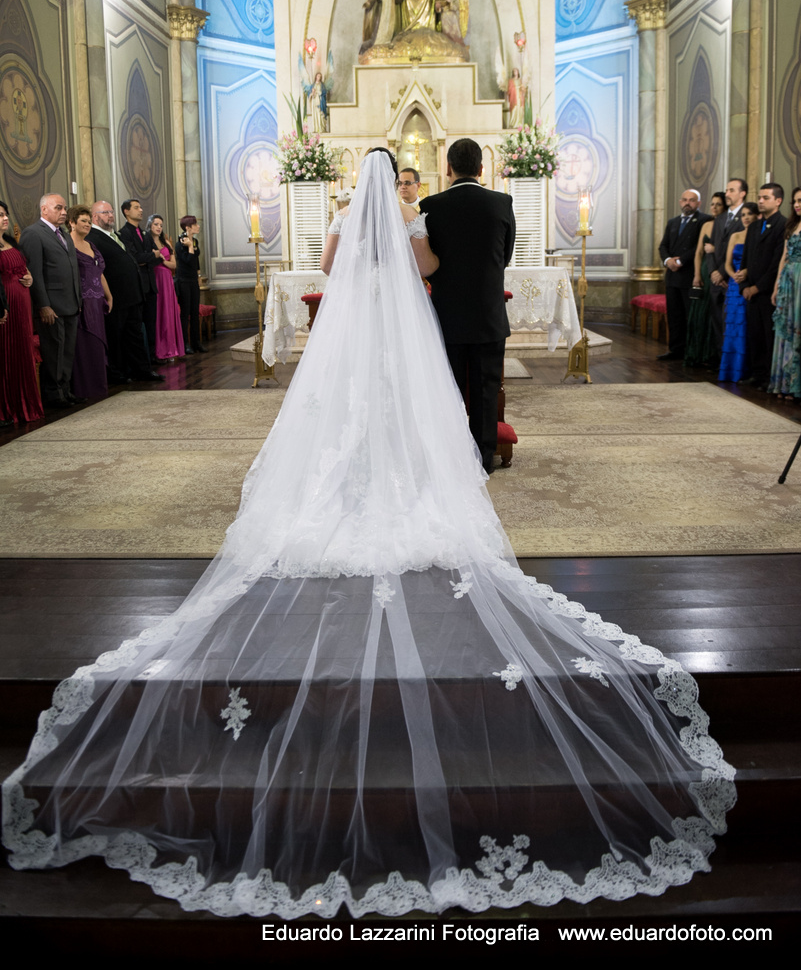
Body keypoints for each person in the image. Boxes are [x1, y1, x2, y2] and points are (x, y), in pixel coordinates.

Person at [3, 152, 735, 918]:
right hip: (402, 328)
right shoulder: (412, 223)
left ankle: (343, 489)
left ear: (358, 182)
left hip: (350, 335)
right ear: (403, 185)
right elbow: (424, 270)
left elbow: (324, 267)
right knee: (406, 411)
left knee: (343, 417)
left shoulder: (349, 218)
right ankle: (406, 485)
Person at [420, 138, 515, 473]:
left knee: (449, 390)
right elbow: (504, 258)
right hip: (488, 316)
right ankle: (483, 461)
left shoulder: (430, 205)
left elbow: (427, 261)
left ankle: (451, 459)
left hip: (446, 318)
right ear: (481, 168)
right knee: (487, 391)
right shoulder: (502, 203)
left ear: (448, 168)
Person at [18, 193, 82, 408]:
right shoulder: (33, 234)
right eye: (58, 208)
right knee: (54, 351)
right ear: (44, 209)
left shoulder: (63, 233)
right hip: (52, 305)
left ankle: (65, 391)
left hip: (71, 302)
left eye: (64, 208)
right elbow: (34, 272)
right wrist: (43, 305)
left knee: (67, 350)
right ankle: (54, 395)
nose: (64, 212)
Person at [89, 201, 163, 384]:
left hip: (132, 294)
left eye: (111, 212)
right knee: (116, 335)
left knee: (134, 334)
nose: (111, 215)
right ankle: (117, 373)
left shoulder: (115, 235)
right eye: (105, 212)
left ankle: (142, 370)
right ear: (95, 217)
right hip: (116, 295)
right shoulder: (93, 237)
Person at [737, 182, 786, 390]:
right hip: (750, 291)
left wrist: (758, 287)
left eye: (765, 198)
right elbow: (747, 258)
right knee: (754, 334)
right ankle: (756, 374)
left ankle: (768, 377)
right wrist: (745, 286)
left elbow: (776, 263)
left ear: (778, 201)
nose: (761, 201)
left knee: (768, 336)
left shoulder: (783, 225)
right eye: (760, 197)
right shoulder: (755, 226)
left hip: (767, 292)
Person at [0, 199, 43, 425]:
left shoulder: (10, 242)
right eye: (0, 215)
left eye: (5, 214)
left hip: (23, 305)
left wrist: (30, 278)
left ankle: (26, 404)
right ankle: (8, 407)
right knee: (7, 354)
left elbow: (25, 269)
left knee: (23, 351)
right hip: (5, 307)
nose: (5, 218)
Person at [657, 189, 710, 362]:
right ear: (680, 202)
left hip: (690, 275)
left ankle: (691, 352)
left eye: (692, 200)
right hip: (672, 276)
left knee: (690, 316)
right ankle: (675, 350)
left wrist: (681, 262)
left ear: (699, 203)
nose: (688, 203)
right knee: (675, 316)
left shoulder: (705, 220)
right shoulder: (673, 222)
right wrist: (667, 261)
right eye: (685, 200)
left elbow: (699, 246)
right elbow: (663, 246)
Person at [67, 205, 112, 400]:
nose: (87, 224)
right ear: (72, 222)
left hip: (97, 302)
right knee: (84, 346)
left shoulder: (91, 245)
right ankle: (84, 390)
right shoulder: (67, 245)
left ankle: (99, 388)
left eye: (88, 221)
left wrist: (109, 296)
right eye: (83, 221)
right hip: (81, 302)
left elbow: (99, 273)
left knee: (97, 345)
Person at [718, 201, 759, 383]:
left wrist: (747, 273)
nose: (746, 218)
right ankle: (730, 372)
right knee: (733, 327)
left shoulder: (758, 235)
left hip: (749, 283)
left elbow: (759, 261)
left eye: (750, 214)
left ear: (757, 216)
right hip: (734, 286)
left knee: (746, 327)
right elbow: (727, 263)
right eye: (743, 215)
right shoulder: (735, 236)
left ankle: (745, 371)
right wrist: (734, 275)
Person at [684, 191, 726, 367]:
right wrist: (696, 275)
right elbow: (698, 253)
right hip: (703, 271)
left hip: (718, 270)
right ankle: (697, 353)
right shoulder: (706, 225)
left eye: (718, 204)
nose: (714, 207)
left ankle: (712, 355)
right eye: (712, 204)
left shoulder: (728, 224)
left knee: (714, 314)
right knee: (700, 313)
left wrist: (715, 248)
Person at [769, 186, 801, 400]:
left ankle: (796, 384)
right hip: (788, 281)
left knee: (797, 328)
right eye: (795, 201)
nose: (797, 204)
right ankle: (785, 384)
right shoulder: (792, 225)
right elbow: (783, 257)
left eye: (800, 201)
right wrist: (776, 285)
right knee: (785, 330)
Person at [709, 178, 748, 355]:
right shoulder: (720, 218)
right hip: (716, 279)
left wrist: (723, 273)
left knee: (731, 321)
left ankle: (731, 359)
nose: (727, 194)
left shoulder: (747, 217)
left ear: (742, 194)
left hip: (732, 278)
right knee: (717, 321)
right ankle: (719, 358)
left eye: (731, 190)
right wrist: (713, 272)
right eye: (726, 190)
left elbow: (741, 252)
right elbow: (712, 247)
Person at [118, 199, 160, 363]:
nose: (141, 210)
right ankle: (142, 359)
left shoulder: (145, 234)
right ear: (126, 211)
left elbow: (157, 258)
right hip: (137, 286)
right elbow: (134, 258)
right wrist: (152, 256)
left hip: (150, 285)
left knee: (151, 323)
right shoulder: (124, 233)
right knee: (138, 325)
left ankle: (152, 355)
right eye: (136, 207)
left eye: (141, 207)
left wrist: (150, 257)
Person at [145, 214, 185, 362]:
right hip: (154, 278)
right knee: (158, 313)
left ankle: (171, 348)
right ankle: (159, 350)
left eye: (161, 225)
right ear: (150, 225)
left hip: (166, 279)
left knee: (168, 312)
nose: (159, 227)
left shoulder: (166, 243)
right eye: (156, 224)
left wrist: (162, 259)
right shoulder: (146, 242)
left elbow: (174, 265)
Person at [175, 214, 206, 354]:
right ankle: (185, 344)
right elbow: (188, 260)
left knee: (195, 312)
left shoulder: (195, 241)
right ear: (188, 227)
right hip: (183, 281)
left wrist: (199, 275)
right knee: (186, 312)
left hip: (193, 279)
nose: (198, 226)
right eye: (195, 224)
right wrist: (190, 247)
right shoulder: (181, 242)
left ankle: (196, 342)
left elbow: (196, 261)